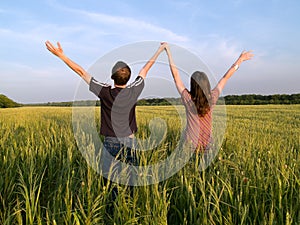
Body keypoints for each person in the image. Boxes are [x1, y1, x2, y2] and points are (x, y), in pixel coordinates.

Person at [45, 41, 167, 200]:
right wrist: (160, 49)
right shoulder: (134, 89)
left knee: (110, 179)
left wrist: (62, 56)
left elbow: (81, 71)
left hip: (110, 142)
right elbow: (145, 69)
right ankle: (129, 205)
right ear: (129, 77)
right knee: (131, 178)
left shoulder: (104, 91)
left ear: (112, 77)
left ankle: (112, 207)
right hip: (130, 142)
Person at [164, 43, 254, 152]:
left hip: (190, 146)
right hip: (207, 147)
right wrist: (240, 60)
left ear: (192, 85)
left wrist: (168, 52)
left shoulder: (188, 98)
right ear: (207, 84)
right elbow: (225, 78)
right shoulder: (213, 98)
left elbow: (176, 76)